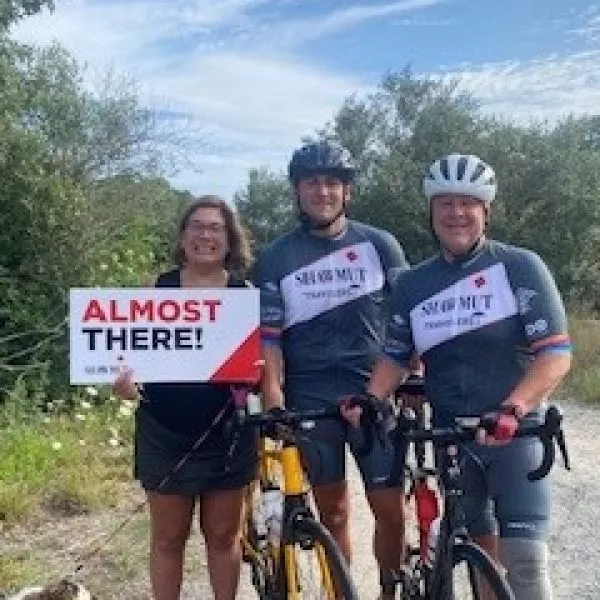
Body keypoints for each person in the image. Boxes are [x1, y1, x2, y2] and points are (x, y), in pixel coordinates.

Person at [346, 153, 572, 600]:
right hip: (454, 438)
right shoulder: (413, 284)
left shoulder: (519, 266)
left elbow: (555, 354)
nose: (456, 213)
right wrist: (371, 398)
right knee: (479, 558)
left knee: (525, 560)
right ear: (431, 213)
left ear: (485, 211)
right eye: (444, 203)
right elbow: (395, 354)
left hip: (515, 434)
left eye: (467, 203)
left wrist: (516, 406)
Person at [256, 140, 412, 599]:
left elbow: (409, 321)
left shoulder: (379, 244)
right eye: (311, 182)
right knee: (335, 511)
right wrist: (273, 397)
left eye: (332, 182)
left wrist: (414, 377)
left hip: (373, 389)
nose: (321, 191)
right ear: (297, 191)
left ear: (347, 191)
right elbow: (270, 337)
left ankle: (388, 588)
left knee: (389, 508)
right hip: (310, 393)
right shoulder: (277, 255)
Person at [113, 195, 256, 600]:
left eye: (215, 228)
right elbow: (127, 355)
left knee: (224, 535)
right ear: (183, 235)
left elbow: (263, 365)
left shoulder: (247, 296)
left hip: (227, 431)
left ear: (230, 239)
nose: (205, 235)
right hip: (164, 429)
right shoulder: (156, 289)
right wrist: (123, 385)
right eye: (197, 226)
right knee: (168, 539)